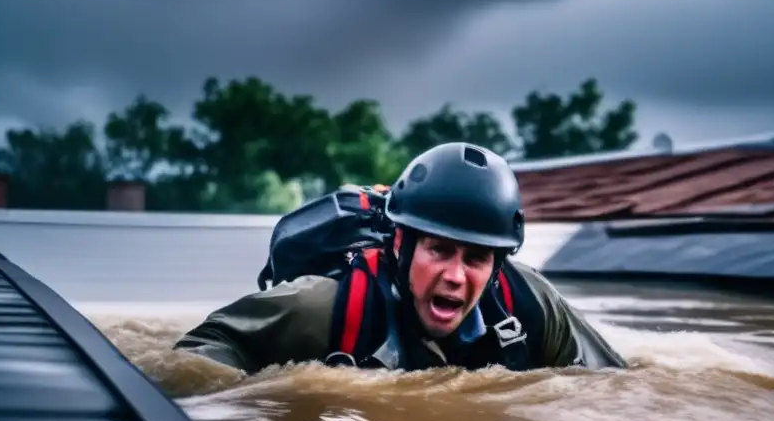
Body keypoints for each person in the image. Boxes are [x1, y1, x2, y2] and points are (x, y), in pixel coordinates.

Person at [173, 142, 627, 374]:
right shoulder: (323, 306)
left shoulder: (531, 306)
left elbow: (615, 388)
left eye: (476, 258)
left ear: (497, 264)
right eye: (439, 250)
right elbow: (194, 355)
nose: (455, 276)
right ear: (400, 245)